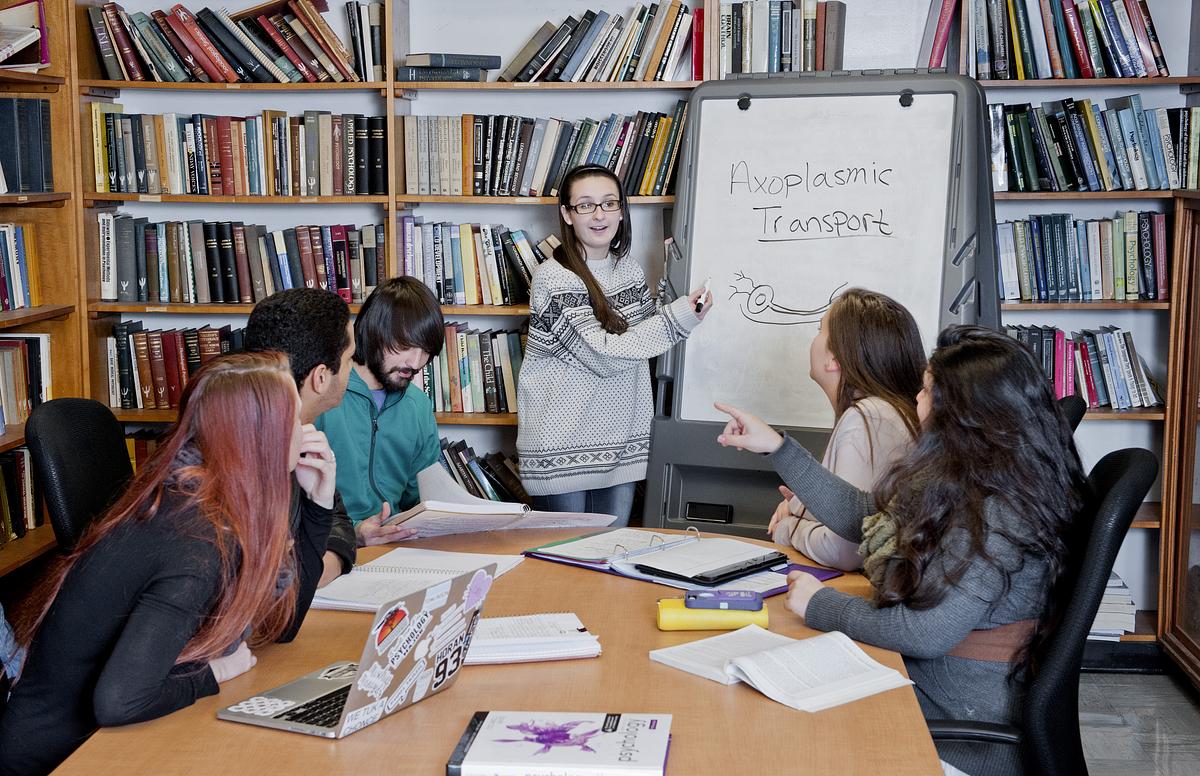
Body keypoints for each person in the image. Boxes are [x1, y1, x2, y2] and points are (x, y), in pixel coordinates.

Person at [716, 325, 1089, 776]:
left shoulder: (998, 514)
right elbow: (863, 515)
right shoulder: (983, 476)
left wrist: (821, 605)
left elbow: (924, 633)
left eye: (928, 391)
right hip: (933, 693)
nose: (917, 398)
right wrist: (776, 447)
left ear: (964, 415)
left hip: (958, 733)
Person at [0, 352, 336, 776]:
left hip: (105, 741)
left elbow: (282, 625)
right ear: (259, 436)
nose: (305, 431)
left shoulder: (200, 498)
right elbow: (119, 700)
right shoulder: (194, 541)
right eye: (293, 419)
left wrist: (318, 503)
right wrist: (213, 673)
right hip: (61, 758)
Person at [517, 164, 711, 525]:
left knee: (610, 554)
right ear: (567, 214)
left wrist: (673, 294)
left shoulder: (629, 269)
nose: (599, 215)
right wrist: (679, 317)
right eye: (585, 205)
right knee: (565, 557)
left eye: (609, 203)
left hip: (622, 446)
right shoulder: (553, 278)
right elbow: (602, 355)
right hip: (562, 450)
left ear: (621, 211)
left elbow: (643, 340)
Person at [245, 288, 416, 586]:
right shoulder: (246, 454)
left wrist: (322, 565)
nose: (353, 370)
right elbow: (272, 583)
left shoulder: (304, 436)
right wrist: (315, 571)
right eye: (350, 360)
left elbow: (340, 527)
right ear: (321, 377)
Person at [766, 288, 925, 570]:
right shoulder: (888, 411)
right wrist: (801, 508)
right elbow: (853, 511)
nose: (814, 339)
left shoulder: (867, 418)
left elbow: (846, 549)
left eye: (819, 330)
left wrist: (788, 528)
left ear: (835, 359)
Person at [316, 277, 490, 526]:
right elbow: (296, 506)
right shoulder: (323, 395)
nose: (416, 363)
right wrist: (356, 531)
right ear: (375, 332)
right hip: (332, 541)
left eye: (426, 351)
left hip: (394, 539)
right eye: (406, 346)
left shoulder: (418, 406)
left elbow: (421, 499)